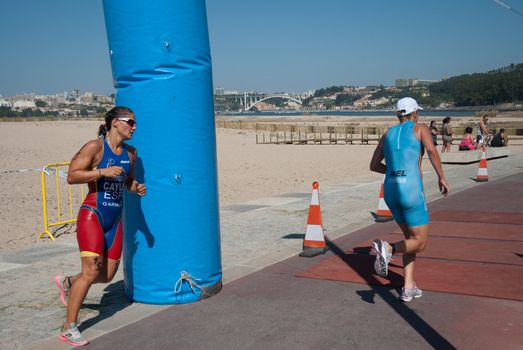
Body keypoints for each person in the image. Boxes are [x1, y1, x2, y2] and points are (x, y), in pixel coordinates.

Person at [54, 106, 146, 346]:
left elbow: (126, 181)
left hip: (115, 219)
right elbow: (72, 176)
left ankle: (69, 283)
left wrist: (135, 187)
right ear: (115, 122)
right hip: (93, 214)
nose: (134, 127)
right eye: (130, 122)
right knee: (92, 269)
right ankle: (68, 328)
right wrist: (101, 171)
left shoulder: (131, 154)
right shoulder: (95, 147)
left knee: (105, 276)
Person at [370, 97, 449, 302]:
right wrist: (441, 177)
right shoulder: (420, 128)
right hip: (411, 190)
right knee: (420, 242)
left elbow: (374, 165)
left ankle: (408, 287)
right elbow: (431, 150)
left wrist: (394, 173)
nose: (419, 116)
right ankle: (389, 249)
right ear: (414, 113)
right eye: (418, 113)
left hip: (390, 191)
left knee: (410, 239)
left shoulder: (387, 134)